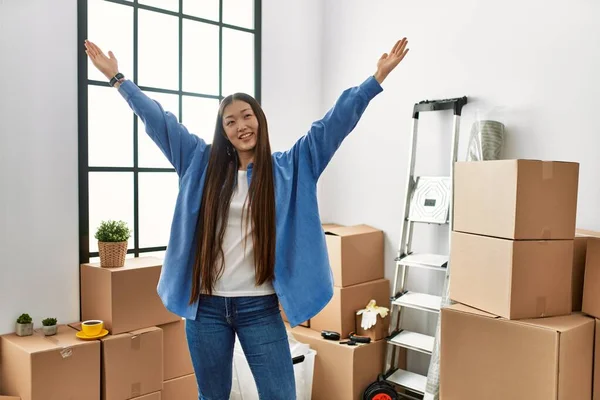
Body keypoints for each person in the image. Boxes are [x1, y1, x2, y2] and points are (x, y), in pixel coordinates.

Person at [85, 37, 409, 400]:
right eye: (230, 121)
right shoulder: (199, 162)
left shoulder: (291, 166)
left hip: (259, 306)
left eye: (247, 116)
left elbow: (332, 125)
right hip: (205, 307)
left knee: (281, 395)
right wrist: (118, 80)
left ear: (259, 120)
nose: (241, 126)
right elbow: (159, 120)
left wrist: (374, 80)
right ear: (222, 131)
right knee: (213, 397)